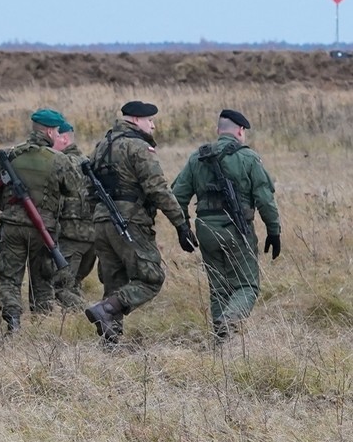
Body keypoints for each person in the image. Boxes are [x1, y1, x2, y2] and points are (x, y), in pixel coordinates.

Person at [84, 101, 198, 344]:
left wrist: (99, 216)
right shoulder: (138, 147)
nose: (153, 125)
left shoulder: (101, 146)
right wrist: (181, 224)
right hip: (129, 221)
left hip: (102, 222)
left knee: (114, 282)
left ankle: (110, 345)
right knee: (151, 277)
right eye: (150, 120)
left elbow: (88, 190)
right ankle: (105, 310)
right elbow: (158, 189)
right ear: (136, 119)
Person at [171, 109, 281, 342]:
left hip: (205, 229)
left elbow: (177, 195)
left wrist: (183, 228)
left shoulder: (197, 157)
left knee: (219, 288)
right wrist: (274, 231)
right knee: (247, 286)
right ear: (241, 131)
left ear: (218, 130)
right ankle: (229, 320)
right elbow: (265, 199)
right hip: (237, 230)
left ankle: (222, 341)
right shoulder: (248, 157)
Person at [0, 109, 82, 334]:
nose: (58, 136)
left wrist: (9, 207)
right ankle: (42, 325)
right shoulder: (59, 160)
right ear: (49, 131)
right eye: (57, 131)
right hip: (43, 229)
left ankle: (13, 323)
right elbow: (74, 188)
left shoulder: (10, 155)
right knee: (43, 278)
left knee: (9, 277)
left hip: (12, 227)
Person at [51, 121, 99, 310]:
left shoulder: (62, 164)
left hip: (71, 237)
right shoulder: (88, 162)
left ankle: (93, 314)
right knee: (75, 283)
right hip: (93, 237)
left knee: (61, 288)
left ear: (63, 138)